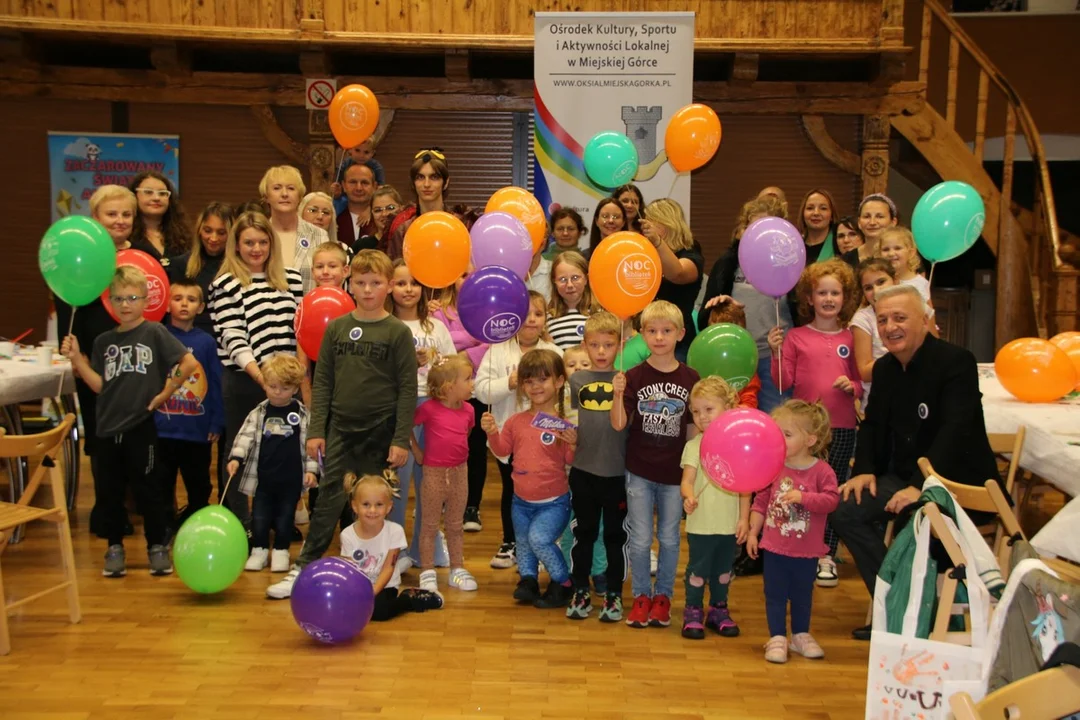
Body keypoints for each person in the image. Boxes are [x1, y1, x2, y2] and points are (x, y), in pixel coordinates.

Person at [833, 284, 1001, 639]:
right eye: (882, 320)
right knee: (845, 509)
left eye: (899, 317)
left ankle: (926, 615)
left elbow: (955, 431)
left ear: (924, 320)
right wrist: (863, 470)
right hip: (904, 479)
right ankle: (897, 603)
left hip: (956, 483)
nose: (890, 326)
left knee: (918, 517)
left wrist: (921, 487)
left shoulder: (956, 362)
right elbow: (874, 424)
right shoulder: (885, 370)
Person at [267, 249, 417, 600]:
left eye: (376, 283)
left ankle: (381, 564)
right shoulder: (337, 328)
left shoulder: (396, 332)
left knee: (375, 501)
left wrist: (400, 439)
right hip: (340, 430)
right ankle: (304, 565)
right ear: (350, 283)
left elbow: (407, 389)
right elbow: (323, 382)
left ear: (389, 286)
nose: (368, 290)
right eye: (361, 283)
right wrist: (317, 429)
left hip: (380, 431)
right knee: (328, 501)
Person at [61, 266, 198, 577]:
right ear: (110, 301)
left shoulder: (154, 332)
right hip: (107, 428)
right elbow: (100, 386)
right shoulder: (103, 341)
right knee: (109, 493)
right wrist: (79, 360)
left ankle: (156, 547)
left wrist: (166, 393)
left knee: (149, 489)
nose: (126, 304)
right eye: (119, 298)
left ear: (145, 300)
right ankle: (114, 547)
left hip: (141, 427)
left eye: (133, 298)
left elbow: (188, 362)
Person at [767, 258, 861, 588]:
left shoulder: (852, 337)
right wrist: (777, 353)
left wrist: (855, 387)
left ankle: (825, 554)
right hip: (808, 431)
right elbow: (783, 382)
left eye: (835, 293)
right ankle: (796, 547)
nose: (828, 299)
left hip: (843, 426)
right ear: (810, 297)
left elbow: (861, 378)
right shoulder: (795, 337)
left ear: (845, 297)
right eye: (822, 292)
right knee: (802, 491)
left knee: (829, 491)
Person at [209, 211, 304, 524]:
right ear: (236, 245)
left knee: (284, 454)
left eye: (263, 241)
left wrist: (294, 378)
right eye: (248, 242)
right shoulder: (225, 284)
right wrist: (261, 377)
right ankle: (240, 522)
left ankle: (279, 522)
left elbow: (300, 330)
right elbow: (232, 335)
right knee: (240, 449)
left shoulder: (292, 278)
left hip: (287, 384)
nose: (256, 248)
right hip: (246, 380)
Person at [611, 300, 700, 629]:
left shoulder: (691, 377)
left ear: (680, 334)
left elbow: (692, 430)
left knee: (670, 539)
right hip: (640, 471)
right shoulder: (633, 375)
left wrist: (692, 472)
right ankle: (641, 597)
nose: (659, 337)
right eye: (651, 331)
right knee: (639, 538)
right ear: (641, 335)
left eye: (666, 331)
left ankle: (663, 597)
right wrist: (618, 394)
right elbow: (619, 424)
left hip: (674, 476)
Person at [54, 185, 131, 538]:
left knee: (133, 434)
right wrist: (74, 355)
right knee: (101, 438)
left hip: (134, 359)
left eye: (126, 214)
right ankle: (106, 510)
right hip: (93, 361)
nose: (119, 220)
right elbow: (67, 302)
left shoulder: (141, 256)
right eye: (111, 214)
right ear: (96, 217)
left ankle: (130, 506)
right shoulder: (80, 254)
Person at [482, 349, 577, 609]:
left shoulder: (562, 423)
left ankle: (563, 583)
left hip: (554, 502)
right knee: (523, 543)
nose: (535, 386)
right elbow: (502, 451)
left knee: (538, 539)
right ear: (522, 385)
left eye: (542, 379)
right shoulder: (515, 421)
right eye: (529, 381)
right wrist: (492, 433)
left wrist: (573, 443)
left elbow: (570, 460)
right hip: (520, 500)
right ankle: (529, 580)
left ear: (558, 382)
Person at [747, 400, 840, 663]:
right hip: (775, 547)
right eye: (778, 433)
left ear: (810, 439)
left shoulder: (822, 471)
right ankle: (777, 637)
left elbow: (831, 501)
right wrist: (754, 532)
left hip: (807, 551)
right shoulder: (774, 466)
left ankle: (800, 634)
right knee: (774, 594)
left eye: (787, 434)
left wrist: (803, 497)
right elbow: (761, 500)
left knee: (802, 595)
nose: (779, 439)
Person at [475, 291, 560, 570]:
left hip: (546, 437)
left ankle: (547, 540)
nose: (531, 320)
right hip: (508, 437)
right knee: (513, 489)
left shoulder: (554, 351)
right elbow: (480, 389)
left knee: (546, 488)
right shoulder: (497, 350)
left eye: (538, 314)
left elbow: (564, 391)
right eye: (525, 315)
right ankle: (511, 541)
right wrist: (510, 382)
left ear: (546, 318)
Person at [699, 194, 792, 412]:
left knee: (776, 419)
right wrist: (725, 307)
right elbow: (706, 317)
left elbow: (803, 311)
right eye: (753, 228)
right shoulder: (729, 263)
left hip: (774, 359)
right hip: (735, 357)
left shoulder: (789, 265)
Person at [566, 312, 630, 623]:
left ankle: (614, 592)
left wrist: (620, 391)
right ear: (585, 345)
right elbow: (576, 420)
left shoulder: (627, 379)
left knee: (615, 536)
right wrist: (569, 435)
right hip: (583, 471)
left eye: (608, 345)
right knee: (585, 532)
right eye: (594, 345)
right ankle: (580, 588)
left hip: (616, 473)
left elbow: (623, 426)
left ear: (620, 345)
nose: (601, 351)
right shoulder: (577, 379)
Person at [227, 354, 319, 573]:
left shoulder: (302, 414)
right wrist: (235, 458)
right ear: (265, 385)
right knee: (259, 517)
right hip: (264, 480)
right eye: (273, 386)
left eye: (285, 388)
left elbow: (310, 446)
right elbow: (244, 436)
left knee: (285, 518)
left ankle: (281, 551)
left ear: (296, 388)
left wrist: (312, 471)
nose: (278, 392)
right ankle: (259, 551)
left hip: (291, 480)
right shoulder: (259, 412)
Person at [389, 259, 453, 569]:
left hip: (433, 409)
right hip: (399, 408)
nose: (408, 289)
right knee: (398, 482)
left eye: (414, 283)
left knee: (429, 482)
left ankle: (424, 547)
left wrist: (438, 365)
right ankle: (396, 549)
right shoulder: (386, 325)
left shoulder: (436, 327)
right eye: (401, 283)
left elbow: (452, 368)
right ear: (390, 287)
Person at [679, 377, 748, 640]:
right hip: (701, 524)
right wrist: (688, 497)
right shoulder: (694, 446)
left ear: (728, 408)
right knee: (698, 570)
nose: (702, 417)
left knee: (723, 572)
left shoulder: (739, 445)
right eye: (696, 411)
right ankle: (693, 610)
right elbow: (686, 481)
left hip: (729, 524)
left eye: (709, 409)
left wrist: (744, 518)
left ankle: (719, 609)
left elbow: (746, 486)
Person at [154, 280, 225, 536]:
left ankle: (198, 529)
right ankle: (162, 531)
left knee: (199, 485)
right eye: (178, 298)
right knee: (161, 484)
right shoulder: (157, 335)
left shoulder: (206, 342)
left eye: (191, 299)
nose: (184, 303)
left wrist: (217, 421)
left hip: (197, 431)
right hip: (162, 430)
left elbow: (216, 383)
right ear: (167, 303)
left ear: (201, 307)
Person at [411, 353, 479, 593]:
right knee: (429, 524)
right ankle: (427, 570)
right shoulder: (428, 409)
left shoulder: (470, 410)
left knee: (455, 524)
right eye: (468, 379)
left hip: (460, 472)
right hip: (433, 474)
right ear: (450, 386)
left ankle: (457, 568)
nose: (473, 383)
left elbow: (465, 434)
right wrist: (417, 450)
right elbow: (407, 425)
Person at [339, 471, 445, 621]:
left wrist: (371, 593)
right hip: (360, 586)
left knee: (379, 612)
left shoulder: (395, 531)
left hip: (386, 585)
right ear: (355, 506)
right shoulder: (347, 535)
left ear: (389, 507)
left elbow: (389, 567)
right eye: (366, 504)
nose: (372, 510)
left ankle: (410, 599)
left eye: (379, 505)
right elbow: (349, 570)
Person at [431, 268, 490, 534]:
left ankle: (471, 505)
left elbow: (491, 342)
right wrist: (470, 338)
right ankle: (445, 497)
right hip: (445, 392)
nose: (468, 280)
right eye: (463, 274)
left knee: (475, 450)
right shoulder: (437, 311)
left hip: (475, 390)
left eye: (475, 274)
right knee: (445, 447)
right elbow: (436, 343)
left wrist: (462, 353)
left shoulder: (489, 309)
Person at [385, 148, 478, 260]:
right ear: (413, 183)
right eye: (420, 177)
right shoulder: (403, 230)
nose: (427, 184)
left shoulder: (462, 225)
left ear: (446, 182)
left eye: (434, 177)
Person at [641, 198, 704, 360]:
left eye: (651, 221)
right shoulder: (645, 253)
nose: (645, 227)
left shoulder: (690, 252)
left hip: (677, 341)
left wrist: (658, 242)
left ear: (665, 223)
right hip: (644, 338)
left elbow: (678, 273)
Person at [258, 165, 330, 292]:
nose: (284, 194)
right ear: (266, 196)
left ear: (300, 196)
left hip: (307, 309)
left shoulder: (319, 235)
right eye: (277, 188)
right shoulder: (257, 234)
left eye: (291, 188)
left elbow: (327, 281)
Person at [169, 202, 234, 334]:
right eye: (208, 231)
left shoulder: (240, 267)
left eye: (221, 233)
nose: (213, 238)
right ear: (199, 229)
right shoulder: (181, 264)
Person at [851, 258, 897, 407]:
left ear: (895, 280)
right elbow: (865, 372)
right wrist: (903, 355)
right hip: (880, 400)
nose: (876, 291)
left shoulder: (915, 309)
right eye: (868, 288)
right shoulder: (863, 320)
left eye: (881, 282)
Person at [705, 299, 760, 408]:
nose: (724, 341)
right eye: (718, 334)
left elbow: (749, 404)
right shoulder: (704, 363)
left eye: (730, 335)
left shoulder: (746, 369)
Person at [128, 170, 188, 265]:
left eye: (162, 193)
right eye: (148, 192)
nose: (156, 198)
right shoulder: (125, 235)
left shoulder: (183, 237)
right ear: (134, 196)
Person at [547, 251, 595, 349]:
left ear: (586, 279)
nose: (569, 285)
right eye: (563, 279)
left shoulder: (598, 313)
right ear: (554, 282)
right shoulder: (547, 318)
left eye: (575, 278)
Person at [331, 138, 386, 215]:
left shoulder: (376, 167)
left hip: (370, 200)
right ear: (350, 149)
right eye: (357, 150)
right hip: (345, 198)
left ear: (372, 153)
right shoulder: (344, 165)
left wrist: (370, 208)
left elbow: (381, 190)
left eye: (366, 152)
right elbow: (337, 185)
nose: (361, 155)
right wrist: (336, 192)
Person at [796, 188, 849, 265]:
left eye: (823, 208)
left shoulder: (840, 244)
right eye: (810, 208)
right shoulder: (795, 246)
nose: (816, 213)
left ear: (831, 215)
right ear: (803, 213)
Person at [335, 163, 379, 253]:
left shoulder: (382, 219)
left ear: (374, 187)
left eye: (364, 183)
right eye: (353, 182)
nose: (358, 188)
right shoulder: (334, 219)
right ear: (344, 186)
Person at [880, 227, 931, 302]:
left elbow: (926, 312)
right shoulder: (879, 280)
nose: (891, 253)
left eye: (897, 248)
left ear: (911, 253)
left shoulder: (919, 284)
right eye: (885, 249)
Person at [856, 193, 899, 262]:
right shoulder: (845, 261)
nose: (872, 222)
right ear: (859, 222)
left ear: (893, 222)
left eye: (879, 216)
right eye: (867, 216)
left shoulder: (903, 259)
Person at [371, 186, 404, 253]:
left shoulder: (409, 241)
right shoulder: (361, 246)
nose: (384, 214)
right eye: (378, 210)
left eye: (390, 208)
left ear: (402, 209)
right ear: (372, 213)